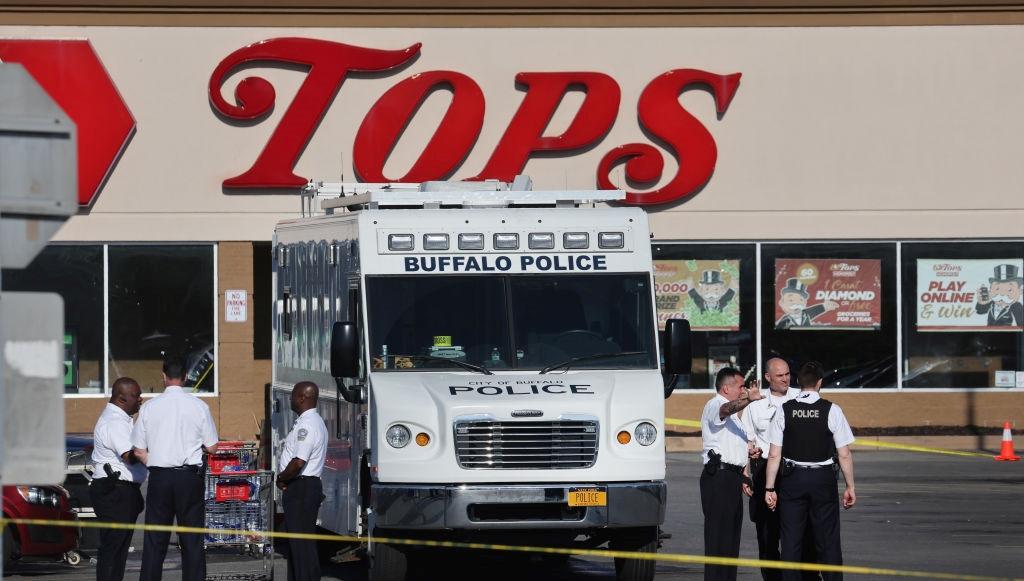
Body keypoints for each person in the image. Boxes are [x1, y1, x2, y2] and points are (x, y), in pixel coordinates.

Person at [764, 362, 856, 581]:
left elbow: (774, 454)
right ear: (820, 382)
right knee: (828, 540)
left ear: (798, 382)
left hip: (792, 479)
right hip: (823, 479)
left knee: (791, 541)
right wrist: (850, 486)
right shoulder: (831, 409)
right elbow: (844, 454)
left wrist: (769, 487)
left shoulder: (784, 410)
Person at [132, 356, 219, 581]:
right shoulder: (200, 406)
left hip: (160, 477)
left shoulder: (150, 407)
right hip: (189, 478)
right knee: (192, 540)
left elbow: (139, 450)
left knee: (155, 541)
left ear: (163, 377)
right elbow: (212, 447)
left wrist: (158, 459)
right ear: (186, 377)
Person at [741, 357, 804, 581]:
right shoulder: (756, 402)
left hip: (794, 472)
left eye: (787, 374)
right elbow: (746, 439)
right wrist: (745, 472)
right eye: (780, 375)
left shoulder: (801, 398)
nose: (786, 379)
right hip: (763, 471)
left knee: (796, 532)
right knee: (767, 534)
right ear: (768, 377)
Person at [700, 366, 762, 581]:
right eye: (740, 386)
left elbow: (732, 445)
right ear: (726, 388)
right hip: (719, 477)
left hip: (733, 478)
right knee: (718, 538)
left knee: (731, 538)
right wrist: (750, 400)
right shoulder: (714, 405)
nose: (743, 389)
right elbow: (726, 409)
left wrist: (749, 453)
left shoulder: (736, 419)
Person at [90, 377, 148, 581]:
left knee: (119, 549)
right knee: (113, 549)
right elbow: (130, 457)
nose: (141, 399)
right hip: (115, 491)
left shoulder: (122, 419)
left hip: (121, 492)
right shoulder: (114, 422)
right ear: (122, 397)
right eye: (136, 395)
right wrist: (157, 457)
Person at [276, 381, 328, 581]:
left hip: (302, 488)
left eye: (292, 395)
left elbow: (298, 462)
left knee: (301, 546)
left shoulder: (307, 425)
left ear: (301, 398)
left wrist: (281, 477)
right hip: (305, 487)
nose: (290, 399)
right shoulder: (313, 421)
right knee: (299, 547)